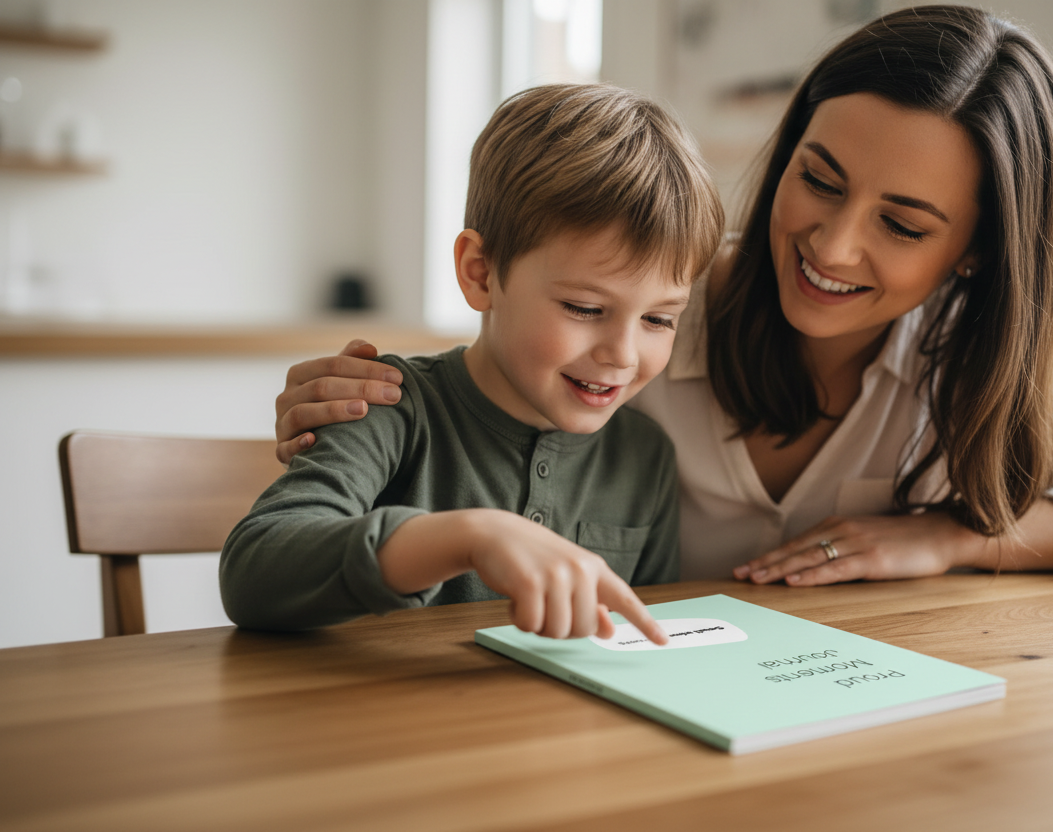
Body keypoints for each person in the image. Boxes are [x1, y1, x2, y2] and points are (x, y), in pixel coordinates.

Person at [270, 6, 1053, 590]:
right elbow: (499, 371)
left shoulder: (966, 366)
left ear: (974, 258)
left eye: (903, 225)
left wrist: (949, 542)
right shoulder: (655, 305)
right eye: (820, 177)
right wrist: (378, 403)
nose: (832, 245)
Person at [220, 83, 724, 640]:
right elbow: (252, 572)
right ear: (480, 272)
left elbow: (647, 638)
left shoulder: (644, 457)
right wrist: (468, 537)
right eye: (584, 308)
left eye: (659, 319)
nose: (623, 355)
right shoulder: (387, 406)